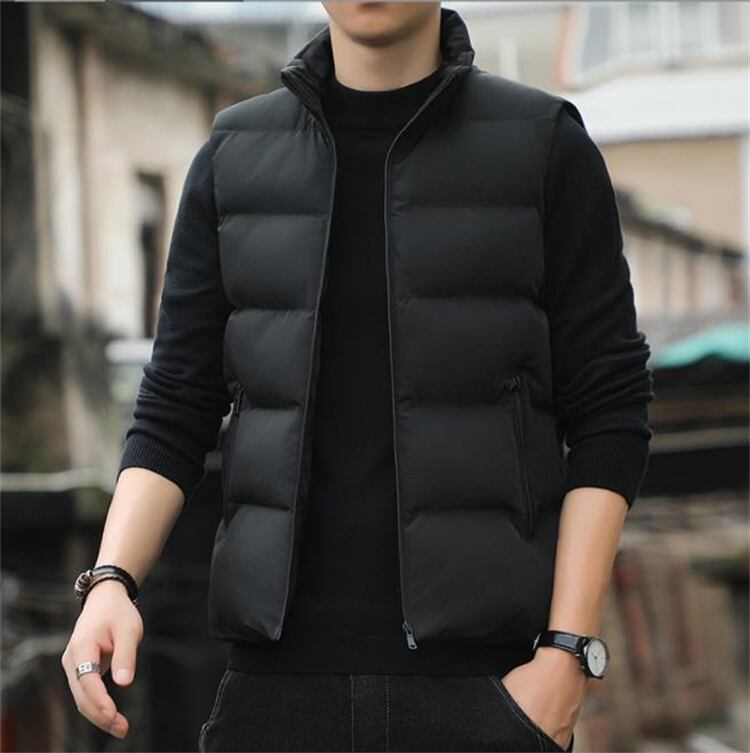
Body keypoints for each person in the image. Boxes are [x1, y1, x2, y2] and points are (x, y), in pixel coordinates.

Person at [60, 3, 654, 751]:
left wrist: (567, 652)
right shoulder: (235, 155)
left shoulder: (544, 146)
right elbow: (175, 403)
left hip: (486, 690)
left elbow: (610, 409)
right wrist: (110, 579)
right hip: (274, 695)